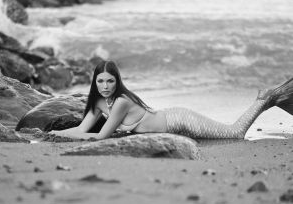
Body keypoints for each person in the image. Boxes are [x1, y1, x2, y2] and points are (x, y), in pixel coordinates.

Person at [49, 60, 293, 140]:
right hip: (170, 126)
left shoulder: (121, 101)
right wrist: (55, 135)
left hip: (178, 120)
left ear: (117, 81)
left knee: (234, 134)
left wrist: (60, 136)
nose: (105, 86)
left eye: (110, 81)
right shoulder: (97, 103)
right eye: (100, 81)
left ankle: (264, 99)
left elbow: (101, 137)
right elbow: (82, 129)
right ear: (94, 82)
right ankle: (267, 98)